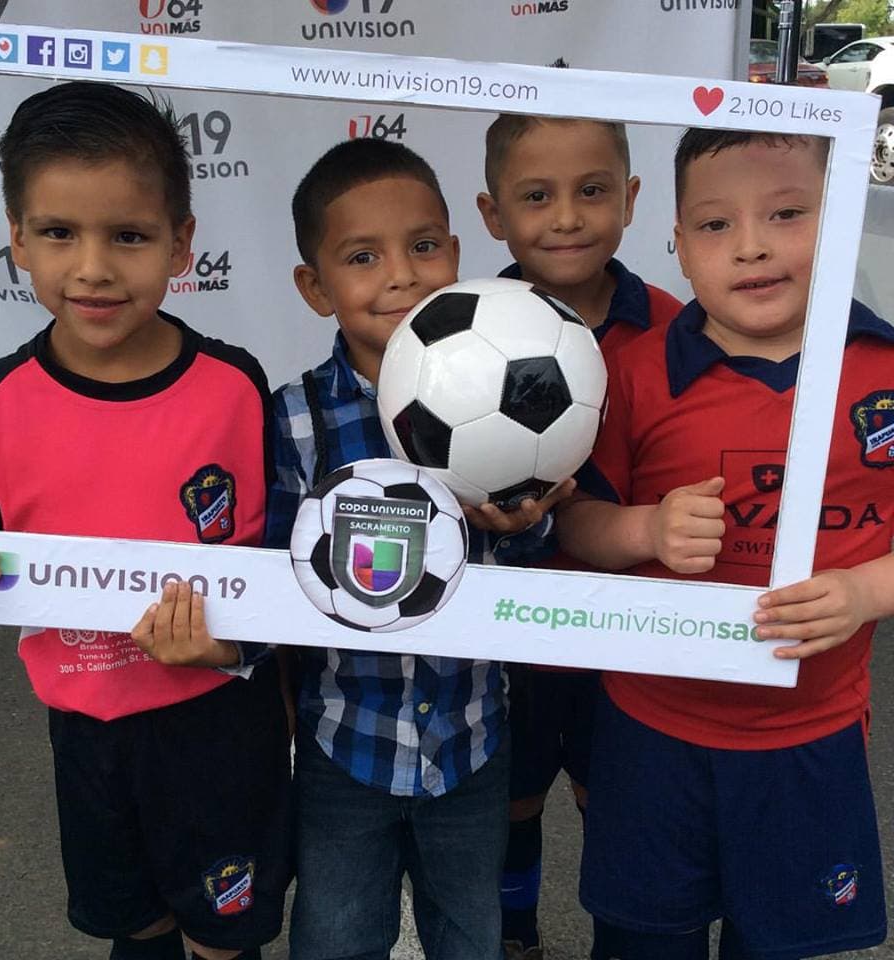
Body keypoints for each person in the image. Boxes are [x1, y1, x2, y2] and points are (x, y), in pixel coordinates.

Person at [0, 81, 291, 960]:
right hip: (86, 734)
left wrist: (232, 647)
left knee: (223, 936)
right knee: (135, 923)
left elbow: (281, 566)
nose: (93, 267)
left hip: (217, 726)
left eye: (128, 236)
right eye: (59, 232)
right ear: (16, 238)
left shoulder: (237, 388)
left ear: (181, 242)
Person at [557, 128, 892, 960]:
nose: (751, 246)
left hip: (809, 733)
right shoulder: (631, 373)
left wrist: (864, 593)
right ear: (676, 240)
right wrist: (645, 528)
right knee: (642, 942)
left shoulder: (884, 372)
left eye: (787, 214)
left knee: (774, 945)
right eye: (715, 224)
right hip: (651, 726)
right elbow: (572, 521)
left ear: (840, 218)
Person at [266, 136, 570, 960]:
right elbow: (273, 587)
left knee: (470, 934)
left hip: (473, 741)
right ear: (315, 287)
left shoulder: (518, 399)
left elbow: (524, 573)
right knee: (334, 938)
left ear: (456, 255)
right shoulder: (294, 419)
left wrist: (524, 527)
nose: (401, 275)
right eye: (363, 256)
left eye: (424, 245)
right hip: (345, 746)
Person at [476, 112, 683, 960]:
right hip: (509, 633)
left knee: (618, 804)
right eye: (536, 196)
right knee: (513, 802)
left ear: (630, 199)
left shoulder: (675, 328)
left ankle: (618, 937)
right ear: (493, 214)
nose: (566, 217)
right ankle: (515, 934)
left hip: (627, 639)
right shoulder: (459, 329)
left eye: (592, 191)